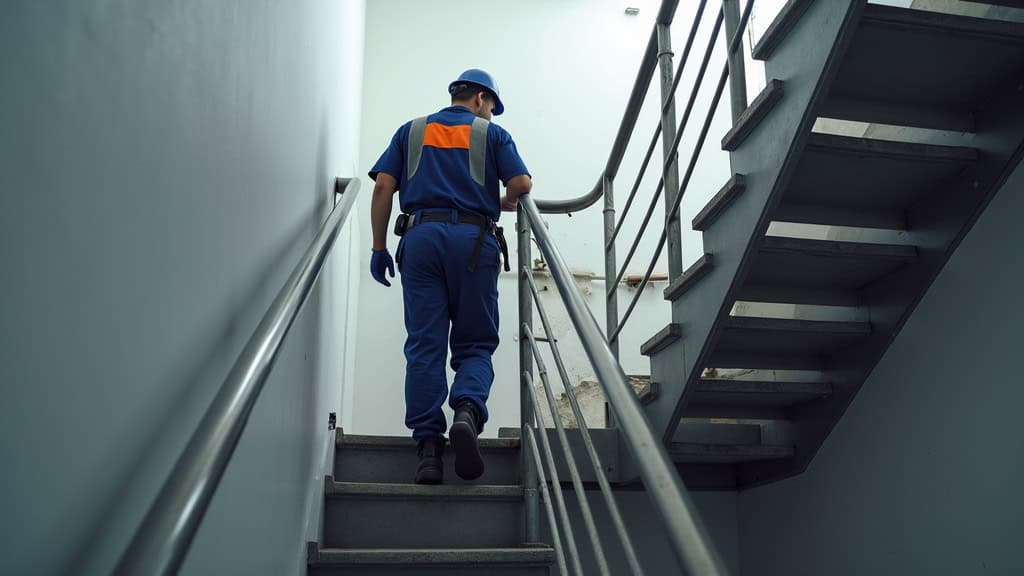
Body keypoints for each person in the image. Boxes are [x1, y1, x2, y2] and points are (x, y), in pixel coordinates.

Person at [367, 69, 532, 484]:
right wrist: (503, 201)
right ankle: (467, 411)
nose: (491, 114)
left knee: (424, 345)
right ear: (480, 98)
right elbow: (521, 182)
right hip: (474, 242)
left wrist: (378, 246)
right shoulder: (491, 135)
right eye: (492, 107)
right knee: (475, 342)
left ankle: (427, 451)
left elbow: (383, 186)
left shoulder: (412, 130)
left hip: (420, 238)